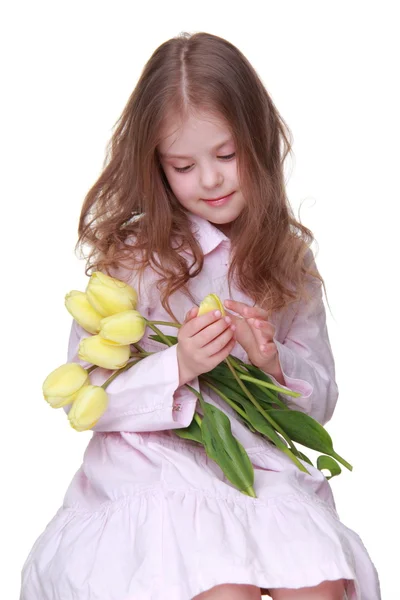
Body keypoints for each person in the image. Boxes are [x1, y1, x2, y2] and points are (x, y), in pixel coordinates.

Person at [20, 32, 381, 600]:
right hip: (154, 467)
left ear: (257, 144)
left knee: (320, 586)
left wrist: (271, 361)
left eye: (227, 156)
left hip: (254, 465)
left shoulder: (287, 258)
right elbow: (90, 397)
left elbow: (324, 400)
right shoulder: (134, 259)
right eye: (184, 165)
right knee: (221, 586)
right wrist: (179, 364)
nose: (210, 180)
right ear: (157, 167)